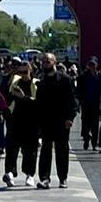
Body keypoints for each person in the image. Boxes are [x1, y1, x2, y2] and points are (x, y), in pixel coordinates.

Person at [35, 53, 77, 188]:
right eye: (43, 62)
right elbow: (39, 103)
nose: (44, 64)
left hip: (62, 121)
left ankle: (62, 178)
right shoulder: (42, 82)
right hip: (46, 121)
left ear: (54, 62)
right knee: (45, 150)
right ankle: (44, 178)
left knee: (62, 150)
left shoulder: (65, 80)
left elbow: (72, 101)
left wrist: (70, 118)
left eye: (47, 61)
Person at [3, 61, 39, 188]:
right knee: (11, 149)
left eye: (25, 72)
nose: (23, 74)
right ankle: (10, 173)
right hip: (15, 121)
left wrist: (24, 97)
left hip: (31, 122)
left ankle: (30, 174)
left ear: (30, 71)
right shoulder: (14, 83)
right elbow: (6, 99)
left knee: (30, 150)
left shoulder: (36, 84)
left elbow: (38, 104)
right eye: (21, 72)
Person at [77, 59, 101, 151]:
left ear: (96, 65)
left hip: (96, 104)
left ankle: (94, 143)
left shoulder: (100, 76)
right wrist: (80, 101)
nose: (92, 66)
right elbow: (79, 90)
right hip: (86, 104)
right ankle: (86, 138)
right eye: (90, 64)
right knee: (85, 123)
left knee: (95, 125)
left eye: (94, 65)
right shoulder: (83, 77)